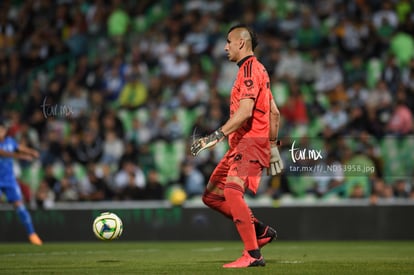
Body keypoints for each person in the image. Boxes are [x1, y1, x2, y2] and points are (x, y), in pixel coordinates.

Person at [190, 24, 283, 268]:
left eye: (228, 42)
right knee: (211, 196)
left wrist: (216, 135)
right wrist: (272, 147)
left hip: (250, 143)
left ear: (241, 43)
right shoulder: (257, 70)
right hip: (244, 145)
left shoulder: (250, 70)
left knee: (231, 192)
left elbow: (245, 112)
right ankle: (259, 231)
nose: (225, 47)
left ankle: (253, 255)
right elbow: (274, 112)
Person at [0, 119, 43, 245]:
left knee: (20, 206)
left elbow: (19, 147)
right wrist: (21, 156)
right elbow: (3, 153)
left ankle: (32, 234)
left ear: (5, 131)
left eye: (1, 130)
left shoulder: (10, 142)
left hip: (9, 180)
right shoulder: (6, 148)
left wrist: (31, 152)